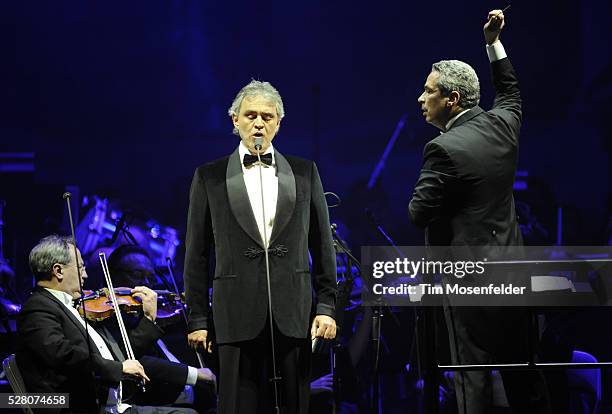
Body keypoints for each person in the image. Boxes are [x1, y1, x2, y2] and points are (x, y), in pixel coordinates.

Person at [409, 10, 550, 414]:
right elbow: (510, 91)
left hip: (467, 282)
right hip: (514, 276)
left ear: (451, 100)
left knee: (474, 383)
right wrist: (493, 42)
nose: (421, 98)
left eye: (429, 91)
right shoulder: (505, 124)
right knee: (526, 378)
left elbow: (418, 212)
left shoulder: (443, 149)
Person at [184, 80, 338, 413]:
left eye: (267, 116)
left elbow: (323, 245)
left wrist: (326, 307)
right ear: (234, 121)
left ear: (278, 124)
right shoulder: (208, 177)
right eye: (250, 115)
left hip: (294, 313)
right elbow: (196, 254)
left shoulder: (305, 172)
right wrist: (197, 319)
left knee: (295, 406)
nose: (258, 123)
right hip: (234, 315)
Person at [16, 235, 197, 413]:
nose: (85, 275)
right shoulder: (37, 308)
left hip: (114, 404)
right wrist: (119, 368)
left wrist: (148, 320)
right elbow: (62, 354)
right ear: (58, 271)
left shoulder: (76, 307)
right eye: (80, 267)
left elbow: (118, 354)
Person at [107, 244, 216, 413]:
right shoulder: (109, 316)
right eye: (137, 275)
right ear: (113, 275)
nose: (146, 284)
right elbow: (129, 356)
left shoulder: (161, 315)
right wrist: (149, 319)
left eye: (150, 277)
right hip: (157, 403)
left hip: (194, 397)